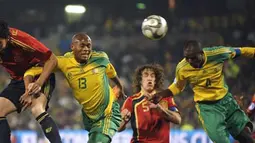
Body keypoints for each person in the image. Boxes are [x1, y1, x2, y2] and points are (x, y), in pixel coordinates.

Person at [23, 33, 126, 143]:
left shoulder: (100, 58)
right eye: (82, 46)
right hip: (89, 115)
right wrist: (28, 89)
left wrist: (120, 86)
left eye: (88, 46)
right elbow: (31, 71)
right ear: (72, 47)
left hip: (108, 113)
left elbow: (111, 72)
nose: (86, 49)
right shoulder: (64, 62)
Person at [148, 40, 255, 143]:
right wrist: (162, 94)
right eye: (187, 58)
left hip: (226, 101)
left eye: (193, 58)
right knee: (221, 141)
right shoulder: (182, 68)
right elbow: (177, 87)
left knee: (245, 136)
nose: (190, 61)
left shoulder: (217, 54)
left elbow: (242, 51)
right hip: (208, 108)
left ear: (201, 53)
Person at [0, 20, 62, 143]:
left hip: (39, 75)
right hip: (18, 80)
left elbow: (52, 59)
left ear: (7, 37)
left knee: (37, 109)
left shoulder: (20, 39)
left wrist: (38, 84)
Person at [119, 64, 181, 143]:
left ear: (155, 81)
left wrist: (160, 109)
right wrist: (123, 120)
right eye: (146, 75)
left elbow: (178, 120)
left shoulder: (166, 98)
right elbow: (118, 128)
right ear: (140, 80)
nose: (149, 78)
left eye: (152, 76)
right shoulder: (132, 101)